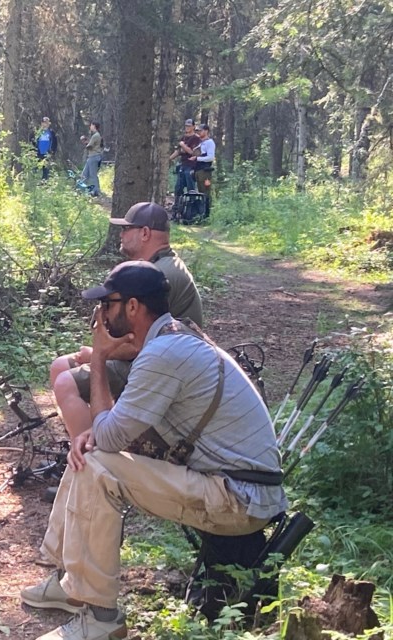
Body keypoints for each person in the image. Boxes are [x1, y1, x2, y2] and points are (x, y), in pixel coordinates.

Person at [21, 261, 287, 640]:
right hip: (231, 486)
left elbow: (110, 437)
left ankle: (100, 618)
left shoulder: (163, 354)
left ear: (132, 307)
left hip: (238, 499)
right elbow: (116, 432)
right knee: (88, 453)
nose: (100, 317)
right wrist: (96, 433)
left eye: (106, 305)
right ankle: (69, 585)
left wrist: (98, 356)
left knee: (98, 464)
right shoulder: (174, 339)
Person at [49, 202, 203, 419]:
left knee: (66, 380)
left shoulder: (160, 276)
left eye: (126, 228)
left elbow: (138, 343)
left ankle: (93, 449)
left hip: (160, 367)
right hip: (149, 357)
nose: (121, 233)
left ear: (145, 233)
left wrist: (97, 355)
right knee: (60, 367)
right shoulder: (159, 267)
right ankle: (91, 436)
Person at [169, 119, 201, 215]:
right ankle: (177, 209)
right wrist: (168, 159)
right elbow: (178, 151)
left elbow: (192, 152)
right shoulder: (183, 137)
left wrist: (183, 145)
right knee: (178, 188)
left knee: (190, 188)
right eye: (186, 126)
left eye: (189, 126)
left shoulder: (196, 138)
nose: (187, 127)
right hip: (182, 165)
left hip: (191, 166)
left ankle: (192, 210)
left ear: (193, 127)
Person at [194, 124, 216, 218]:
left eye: (201, 130)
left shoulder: (210, 143)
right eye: (198, 131)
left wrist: (197, 158)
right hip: (199, 171)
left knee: (205, 192)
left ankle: (207, 215)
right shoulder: (201, 143)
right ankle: (201, 213)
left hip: (205, 172)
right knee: (200, 192)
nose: (199, 132)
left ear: (206, 131)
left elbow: (210, 157)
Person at [79, 122, 103, 197]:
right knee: (84, 174)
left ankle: (96, 191)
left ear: (94, 126)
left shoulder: (96, 135)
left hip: (94, 157)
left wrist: (85, 142)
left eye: (91, 125)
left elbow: (89, 146)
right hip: (92, 157)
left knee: (93, 175)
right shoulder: (96, 135)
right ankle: (81, 189)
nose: (90, 127)